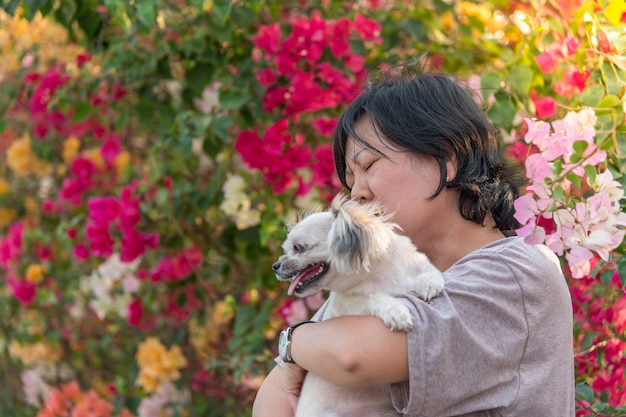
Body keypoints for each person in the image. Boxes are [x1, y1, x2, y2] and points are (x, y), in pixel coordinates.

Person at [252, 61, 575, 416]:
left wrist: (295, 340)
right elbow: (273, 399)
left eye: (369, 166)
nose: (356, 193)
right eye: (349, 180)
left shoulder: (517, 273)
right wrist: (300, 345)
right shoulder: (383, 276)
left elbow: (352, 355)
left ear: (446, 158)